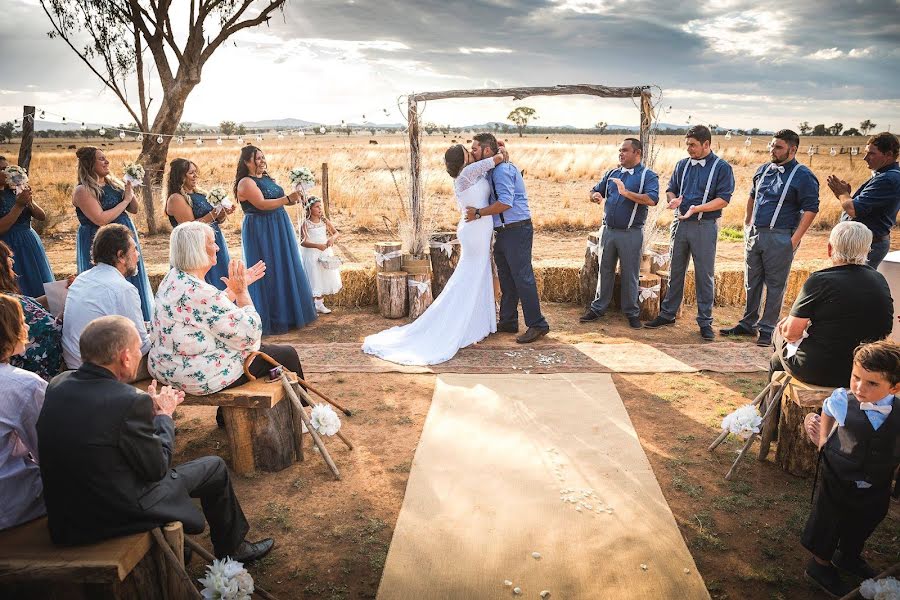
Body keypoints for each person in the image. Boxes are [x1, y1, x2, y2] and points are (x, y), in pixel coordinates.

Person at [37, 316, 273, 561]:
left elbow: (101, 432)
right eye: (139, 347)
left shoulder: (58, 385)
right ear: (126, 357)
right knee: (214, 467)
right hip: (112, 517)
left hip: (66, 520)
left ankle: (189, 548)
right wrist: (164, 416)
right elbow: (156, 469)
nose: (141, 354)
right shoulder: (127, 400)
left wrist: (142, 413)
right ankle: (233, 549)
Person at [363, 145, 508, 364]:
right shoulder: (466, 174)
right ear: (463, 159)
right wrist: (500, 152)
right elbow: (495, 160)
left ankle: (476, 323)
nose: (472, 152)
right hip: (474, 231)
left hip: (480, 228)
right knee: (469, 276)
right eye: (469, 151)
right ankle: (459, 322)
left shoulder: (472, 172)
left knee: (478, 275)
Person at [149, 221, 305, 396]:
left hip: (166, 368)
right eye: (211, 243)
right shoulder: (203, 293)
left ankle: (226, 416)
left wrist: (232, 290)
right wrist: (241, 292)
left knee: (258, 351)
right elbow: (250, 333)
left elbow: (204, 314)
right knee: (286, 355)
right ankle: (303, 416)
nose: (216, 247)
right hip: (197, 377)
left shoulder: (173, 278)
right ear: (197, 249)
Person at [800, 339, 900, 597]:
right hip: (839, 474)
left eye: (872, 383)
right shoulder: (843, 400)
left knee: (868, 517)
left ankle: (848, 555)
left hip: (877, 481)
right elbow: (828, 412)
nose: (859, 387)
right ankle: (819, 565)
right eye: (856, 377)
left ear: (895, 387)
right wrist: (823, 438)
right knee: (829, 520)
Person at [720, 129, 820, 347]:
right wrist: (747, 223)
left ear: (793, 149)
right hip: (755, 233)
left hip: (781, 236)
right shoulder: (763, 169)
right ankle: (747, 324)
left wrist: (794, 240)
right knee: (751, 281)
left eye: (778, 147)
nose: (772, 150)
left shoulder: (804, 175)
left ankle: (767, 329)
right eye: (772, 145)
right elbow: (752, 196)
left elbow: (811, 209)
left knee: (775, 285)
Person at [771, 222, 893, 388]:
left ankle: (765, 411)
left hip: (821, 369)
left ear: (830, 249)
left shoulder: (820, 280)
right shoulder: (879, 279)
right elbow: (885, 331)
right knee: (779, 360)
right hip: (867, 371)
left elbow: (791, 333)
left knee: (778, 334)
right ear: (867, 250)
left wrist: (786, 327)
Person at [645, 125, 735, 340]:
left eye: (693, 145)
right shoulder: (682, 165)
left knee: (704, 276)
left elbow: (723, 199)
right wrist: (672, 200)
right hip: (680, 225)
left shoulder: (722, 168)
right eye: (687, 145)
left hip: (705, 227)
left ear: (706, 144)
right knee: (675, 271)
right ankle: (668, 314)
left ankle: (705, 322)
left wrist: (697, 209)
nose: (689, 149)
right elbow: (670, 189)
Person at [466, 132, 549, 344]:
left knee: (522, 277)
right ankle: (509, 320)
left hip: (516, 229)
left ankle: (537, 324)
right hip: (503, 231)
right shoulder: (493, 169)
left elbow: (506, 202)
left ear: (486, 150)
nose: (472, 152)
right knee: (507, 278)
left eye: (475, 148)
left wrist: (478, 213)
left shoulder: (502, 171)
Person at [235, 146, 317, 334]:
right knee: (268, 269)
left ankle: (288, 314)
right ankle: (270, 317)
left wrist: (296, 197)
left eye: (263, 157)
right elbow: (262, 204)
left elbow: (279, 200)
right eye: (258, 158)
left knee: (283, 265)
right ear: (247, 161)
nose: (263, 161)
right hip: (261, 229)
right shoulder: (246, 183)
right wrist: (287, 198)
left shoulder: (266, 179)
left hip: (279, 225)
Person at [580, 138, 660, 329]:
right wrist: (595, 196)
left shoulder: (648, 176)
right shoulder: (612, 173)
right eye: (619, 151)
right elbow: (594, 190)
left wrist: (626, 193)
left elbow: (652, 199)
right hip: (608, 231)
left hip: (631, 233)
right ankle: (598, 308)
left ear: (637, 153)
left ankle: (631, 312)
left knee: (630, 274)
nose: (621, 154)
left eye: (625, 150)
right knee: (604, 270)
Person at [73, 146, 154, 321]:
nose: (107, 161)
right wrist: (124, 200)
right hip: (101, 239)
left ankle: (139, 322)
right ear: (89, 164)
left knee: (130, 275)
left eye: (106, 157)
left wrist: (129, 189)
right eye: (101, 159)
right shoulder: (83, 190)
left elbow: (134, 208)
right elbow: (100, 219)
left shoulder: (113, 183)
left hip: (124, 235)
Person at [62, 224, 150, 375]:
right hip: (99, 371)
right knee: (165, 355)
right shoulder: (123, 289)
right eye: (134, 249)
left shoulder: (82, 278)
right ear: (121, 256)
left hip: (73, 363)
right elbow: (142, 346)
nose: (138, 255)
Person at [0, 293, 46, 530]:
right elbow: (48, 451)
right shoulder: (24, 385)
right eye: (21, 321)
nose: (27, 326)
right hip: (11, 502)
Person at [827, 132, 900, 269]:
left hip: (868, 245)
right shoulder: (885, 175)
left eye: (872, 153)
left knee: (854, 285)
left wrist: (842, 194)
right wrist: (846, 196)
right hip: (867, 243)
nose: (865, 158)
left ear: (888, 155)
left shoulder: (888, 179)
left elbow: (853, 209)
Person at [165, 158, 233, 290]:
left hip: (213, 242)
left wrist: (223, 213)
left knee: (220, 281)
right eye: (191, 173)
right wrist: (214, 213)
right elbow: (190, 227)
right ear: (181, 176)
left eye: (196, 172)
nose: (196, 176)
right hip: (195, 247)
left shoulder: (200, 193)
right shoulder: (176, 198)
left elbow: (215, 219)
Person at [0, 241, 64, 380]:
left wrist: (60, 291)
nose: (12, 261)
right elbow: (51, 332)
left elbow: (30, 304)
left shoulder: (9, 300)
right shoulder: (9, 302)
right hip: (38, 373)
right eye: (7, 257)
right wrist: (63, 318)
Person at [0, 156, 53, 298]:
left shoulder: (15, 190)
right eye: (1, 169)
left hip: (29, 241)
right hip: (8, 247)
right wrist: (18, 206)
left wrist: (28, 201)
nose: (6, 173)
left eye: (7, 168)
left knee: (39, 281)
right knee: (20, 286)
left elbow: (41, 216)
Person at [299, 196, 342, 314]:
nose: (320, 209)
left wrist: (332, 238)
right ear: (309, 209)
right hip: (312, 254)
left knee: (323, 276)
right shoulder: (306, 224)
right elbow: (303, 242)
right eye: (317, 207)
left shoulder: (324, 220)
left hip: (324, 253)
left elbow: (336, 233)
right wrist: (317, 245)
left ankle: (320, 304)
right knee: (314, 277)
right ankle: (311, 306)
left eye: (320, 206)